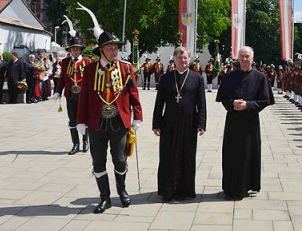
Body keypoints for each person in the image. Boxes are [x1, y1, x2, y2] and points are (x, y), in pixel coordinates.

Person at [76, 11, 142, 214]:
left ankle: (121, 191)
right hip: (96, 122)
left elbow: (133, 93)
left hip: (119, 121)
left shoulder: (125, 69)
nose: (115, 51)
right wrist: (80, 120)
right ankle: (104, 197)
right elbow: (84, 97)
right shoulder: (89, 70)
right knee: (98, 160)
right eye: (111, 48)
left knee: (120, 159)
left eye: (116, 48)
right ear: (102, 50)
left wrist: (137, 115)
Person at [216, 46, 274, 200]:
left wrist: (248, 105)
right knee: (231, 154)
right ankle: (229, 187)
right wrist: (232, 103)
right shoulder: (229, 76)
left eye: (247, 56)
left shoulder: (260, 77)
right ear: (238, 58)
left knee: (249, 154)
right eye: (241, 56)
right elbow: (223, 97)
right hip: (233, 122)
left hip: (250, 123)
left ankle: (248, 186)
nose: (244, 59)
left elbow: (265, 100)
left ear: (252, 58)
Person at [152, 47, 206, 202]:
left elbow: (201, 103)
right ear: (174, 59)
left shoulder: (197, 78)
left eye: (185, 58)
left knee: (187, 156)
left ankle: (185, 191)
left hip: (189, 124)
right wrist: (156, 123)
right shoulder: (166, 78)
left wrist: (201, 123)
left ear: (189, 60)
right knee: (167, 156)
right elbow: (159, 103)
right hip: (169, 123)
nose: (183, 61)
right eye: (180, 58)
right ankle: (167, 191)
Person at [54, 36, 92, 155]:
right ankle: (75, 144)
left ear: (80, 50)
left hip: (84, 95)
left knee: (85, 118)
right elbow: (62, 79)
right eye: (73, 49)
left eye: (77, 49)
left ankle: (86, 141)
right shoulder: (65, 62)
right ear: (70, 50)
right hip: (70, 95)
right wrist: (58, 91)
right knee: (72, 119)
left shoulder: (87, 61)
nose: (75, 51)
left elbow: (91, 80)